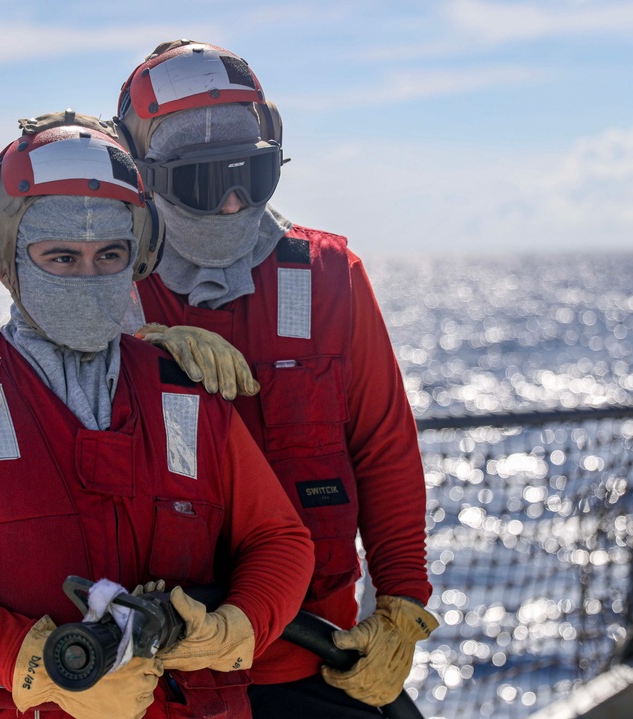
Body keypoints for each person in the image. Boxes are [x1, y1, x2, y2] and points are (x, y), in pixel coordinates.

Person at [0, 114, 314, 719]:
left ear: (140, 255)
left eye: (110, 254)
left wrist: (237, 626)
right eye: (61, 257)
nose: (89, 276)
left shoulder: (185, 392)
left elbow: (278, 540)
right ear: (1, 256)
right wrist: (37, 665)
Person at [115, 40, 438, 716]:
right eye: (205, 182)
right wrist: (133, 347)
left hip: (314, 655)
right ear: (144, 176)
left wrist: (401, 602)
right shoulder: (107, 288)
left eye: (251, 177)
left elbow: (383, 448)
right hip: (167, 676)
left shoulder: (328, 278)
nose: (232, 205)